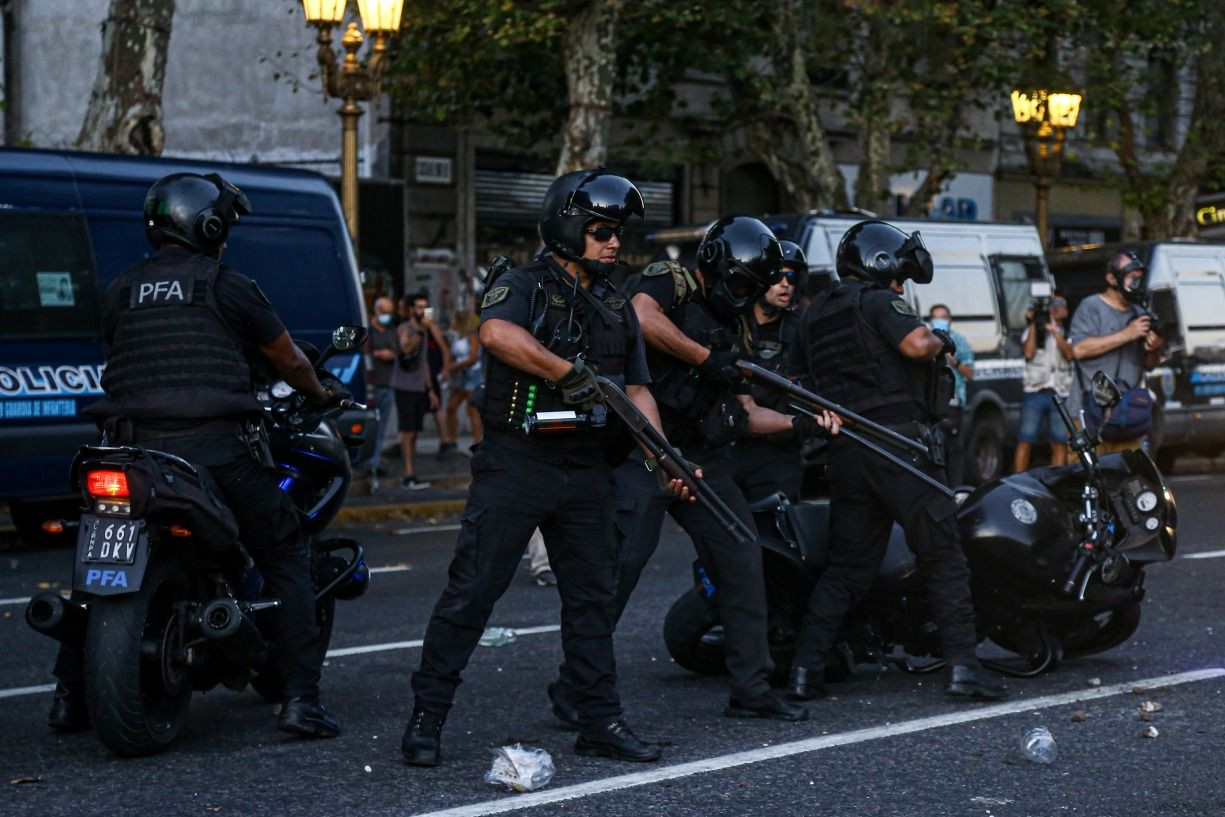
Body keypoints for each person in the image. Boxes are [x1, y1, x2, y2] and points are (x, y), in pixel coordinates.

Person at [402, 169, 691, 767]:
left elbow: (638, 391)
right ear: (568, 227)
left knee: (593, 601)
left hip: (587, 470)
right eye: (601, 231)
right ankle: (427, 718)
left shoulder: (617, 304)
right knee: (473, 592)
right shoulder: (523, 283)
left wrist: (666, 458)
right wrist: (565, 373)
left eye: (618, 232)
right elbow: (496, 334)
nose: (614, 243)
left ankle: (599, 721)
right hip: (518, 463)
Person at [49, 172, 343, 737]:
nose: (226, 235)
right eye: (223, 225)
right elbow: (289, 360)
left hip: (129, 452)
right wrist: (319, 392)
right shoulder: (229, 287)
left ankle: (68, 697)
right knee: (287, 554)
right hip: (214, 451)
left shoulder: (120, 288)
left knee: (98, 570)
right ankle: (301, 701)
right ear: (207, 228)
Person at [550, 216, 839, 727]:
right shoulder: (672, 280)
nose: (745, 295)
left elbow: (746, 411)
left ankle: (751, 688)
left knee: (743, 554)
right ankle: (576, 686)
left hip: (701, 456)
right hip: (644, 450)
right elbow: (642, 317)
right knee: (620, 568)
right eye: (741, 284)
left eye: (753, 287)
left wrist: (803, 423)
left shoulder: (735, 323)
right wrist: (706, 358)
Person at [789, 219, 1005, 703]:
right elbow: (915, 344)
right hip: (900, 448)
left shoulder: (814, 314)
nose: (902, 287)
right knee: (944, 556)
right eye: (899, 277)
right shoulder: (877, 301)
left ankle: (804, 670)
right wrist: (942, 338)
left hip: (848, 452)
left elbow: (797, 381)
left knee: (847, 569)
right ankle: (964, 669)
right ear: (879, 264)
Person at [728, 239, 808, 502]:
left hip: (779, 449)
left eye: (791, 277)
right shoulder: (732, 323)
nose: (785, 284)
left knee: (780, 519)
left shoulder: (801, 330)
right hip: (730, 445)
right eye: (778, 277)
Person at [1068, 251, 1164, 454]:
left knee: (1129, 472)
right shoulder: (1091, 307)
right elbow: (1078, 350)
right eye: (1132, 277)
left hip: (1128, 415)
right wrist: (1127, 334)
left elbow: (1150, 364)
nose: (1137, 283)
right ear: (1112, 278)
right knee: (1087, 473)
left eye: (1140, 278)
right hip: (1090, 414)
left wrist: (1154, 349)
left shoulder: (1140, 314)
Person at [1014, 293, 1074, 471]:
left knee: (1059, 441)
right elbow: (1028, 353)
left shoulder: (1067, 333)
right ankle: (1018, 479)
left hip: (1060, 392)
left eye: (1061, 305)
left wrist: (1055, 331)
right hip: (1035, 391)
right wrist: (1033, 324)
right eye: (1054, 305)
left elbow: (1069, 354)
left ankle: (1057, 478)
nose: (1057, 308)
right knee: (1026, 439)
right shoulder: (1033, 331)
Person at [391, 295, 440, 490]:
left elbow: (423, 363)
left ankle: (411, 473)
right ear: (412, 309)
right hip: (404, 386)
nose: (422, 311)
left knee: (415, 432)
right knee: (407, 432)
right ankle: (408, 475)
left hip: (419, 386)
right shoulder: (406, 328)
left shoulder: (425, 330)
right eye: (419, 307)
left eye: (425, 307)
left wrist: (430, 390)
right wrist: (421, 331)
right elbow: (405, 348)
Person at [926, 305, 973, 485]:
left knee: (955, 450)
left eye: (943, 317)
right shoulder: (924, 341)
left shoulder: (959, 341)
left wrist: (955, 362)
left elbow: (970, 373)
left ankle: (956, 490)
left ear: (950, 320)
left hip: (953, 406)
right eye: (936, 317)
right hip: (930, 406)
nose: (940, 320)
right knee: (934, 451)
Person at [365, 296, 401, 484]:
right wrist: (377, 354)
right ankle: (367, 462)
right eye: (384, 312)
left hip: (388, 384)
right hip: (371, 386)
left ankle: (374, 462)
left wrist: (391, 354)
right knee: (369, 427)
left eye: (389, 312)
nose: (387, 316)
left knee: (381, 429)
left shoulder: (392, 332)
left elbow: (400, 352)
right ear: (376, 312)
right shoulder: (368, 333)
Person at [441, 309, 483, 451]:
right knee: (451, 408)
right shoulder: (457, 337)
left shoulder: (472, 336)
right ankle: (452, 439)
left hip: (472, 376)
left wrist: (454, 367)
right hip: (460, 378)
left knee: (472, 411)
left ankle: (478, 441)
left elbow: (473, 357)